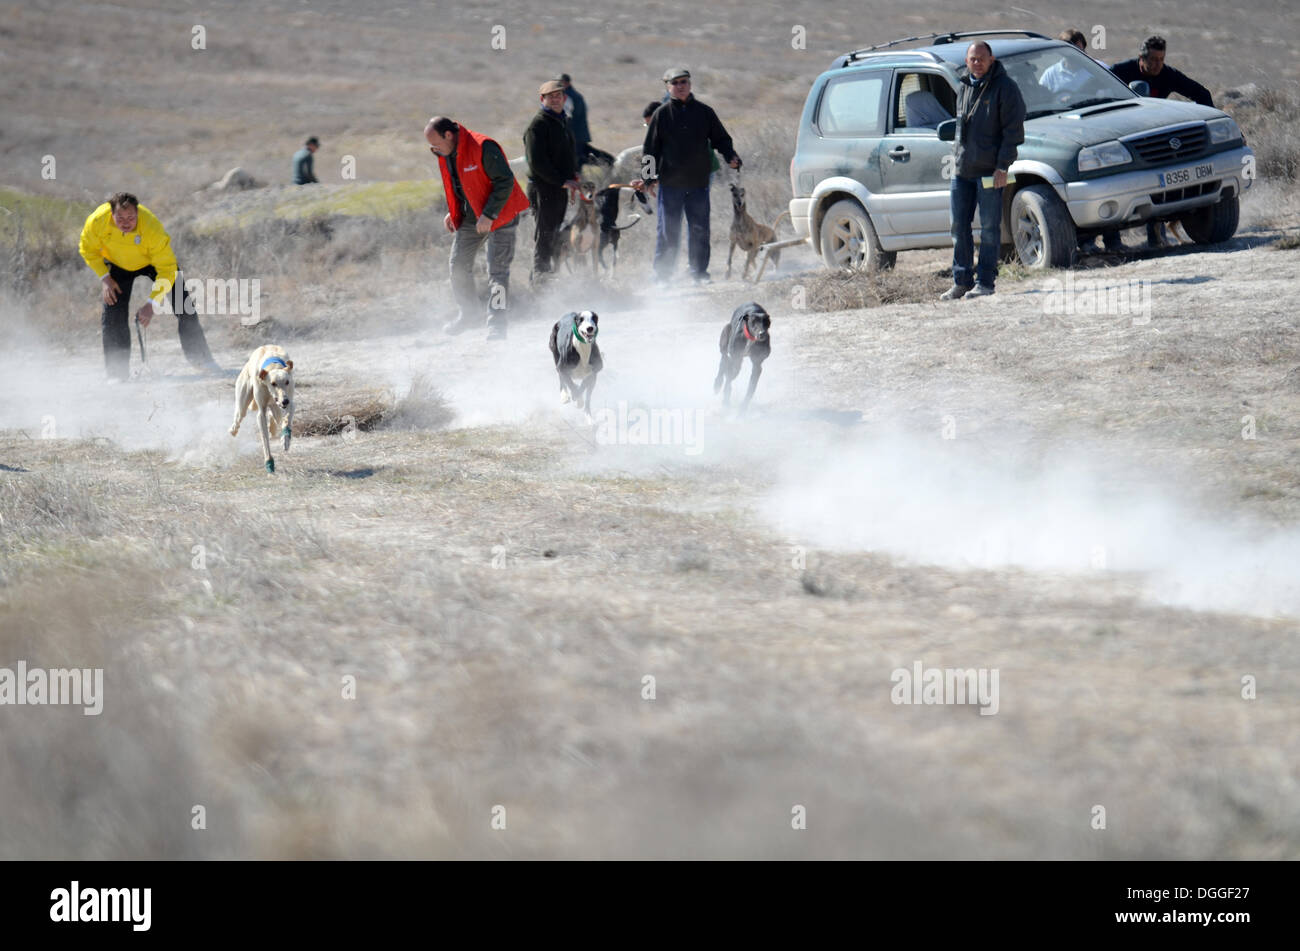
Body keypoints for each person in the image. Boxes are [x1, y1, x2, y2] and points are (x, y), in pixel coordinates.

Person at [78, 192, 220, 382]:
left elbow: (167, 269)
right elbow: (87, 249)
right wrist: (105, 278)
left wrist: (152, 304)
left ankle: (202, 361)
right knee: (112, 312)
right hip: (117, 263)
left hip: (154, 263)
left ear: (138, 213)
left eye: (131, 217)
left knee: (184, 307)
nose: (126, 222)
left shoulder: (151, 227)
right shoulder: (97, 221)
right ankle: (116, 373)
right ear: (111, 214)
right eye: (120, 218)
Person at [633, 67, 741, 285]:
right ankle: (663, 277)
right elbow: (650, 149)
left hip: (698, 183)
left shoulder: (704, 112)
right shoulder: (661, 115)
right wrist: (647, 178)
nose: (680, 86)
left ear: (690, 85)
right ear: (668, 87)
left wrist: (731, 155)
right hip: (670, 184)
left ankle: (699, 273)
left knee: (700, 229)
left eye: (684, 82)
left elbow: (721, 139)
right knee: (668, 231)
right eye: (675, 83)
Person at [426, 116, 530, 341]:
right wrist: (454, 211)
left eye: (436, 143)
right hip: (472, 216)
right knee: (458, 266)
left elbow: (505, 181)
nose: (433, 149)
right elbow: (462, 183)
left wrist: (489, 214)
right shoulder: (445, 153)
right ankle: (469, 313)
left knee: (498, 272)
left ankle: (497, 325)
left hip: (500, 214)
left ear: (449, 135)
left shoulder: (483, 146)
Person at [941, 42, 1026, 300]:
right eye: (972, 59)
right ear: (966, 61)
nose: (976, 63)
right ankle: (961, 281)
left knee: (989, 227)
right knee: (958, 226)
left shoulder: (1006, 88)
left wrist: (1003, 166)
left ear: (991, 59)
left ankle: (985, 282)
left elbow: (1013, 133)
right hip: (962, 170)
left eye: (981, 59)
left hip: (991, 171)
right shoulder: (964, 85)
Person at [1112, 36, 1214, 248]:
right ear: (1141, 57)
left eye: (1161, 59)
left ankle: (1156, 230)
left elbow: (1202, 94)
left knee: (1162, 180)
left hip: (1154, 135)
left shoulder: (1168, 74)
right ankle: (1111, 240)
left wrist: (1210, 123)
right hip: (1121, 136)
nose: (1158, 64)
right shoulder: (1120, 72)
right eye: (1153, 59)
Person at [524, 80, 581, 281]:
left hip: (559, 187)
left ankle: (549, 277)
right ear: (542, 99)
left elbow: (566, 153)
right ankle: (539, 279)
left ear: (564, 98)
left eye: (559, 96)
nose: (555, 99)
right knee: (545, 233)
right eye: (551, 96)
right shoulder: (538, 125)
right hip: (543, 188)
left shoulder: (562, 120)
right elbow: (537, 162)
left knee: (554, 232)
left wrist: (573, 174)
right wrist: (561, 181)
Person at [558, 73, 591, 170]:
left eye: (560, 82)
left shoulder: (568, 96)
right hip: (579, 135)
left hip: (574, 135)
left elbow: (568, 117)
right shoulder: (576, 95)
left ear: (566, 83)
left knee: (575, 164)